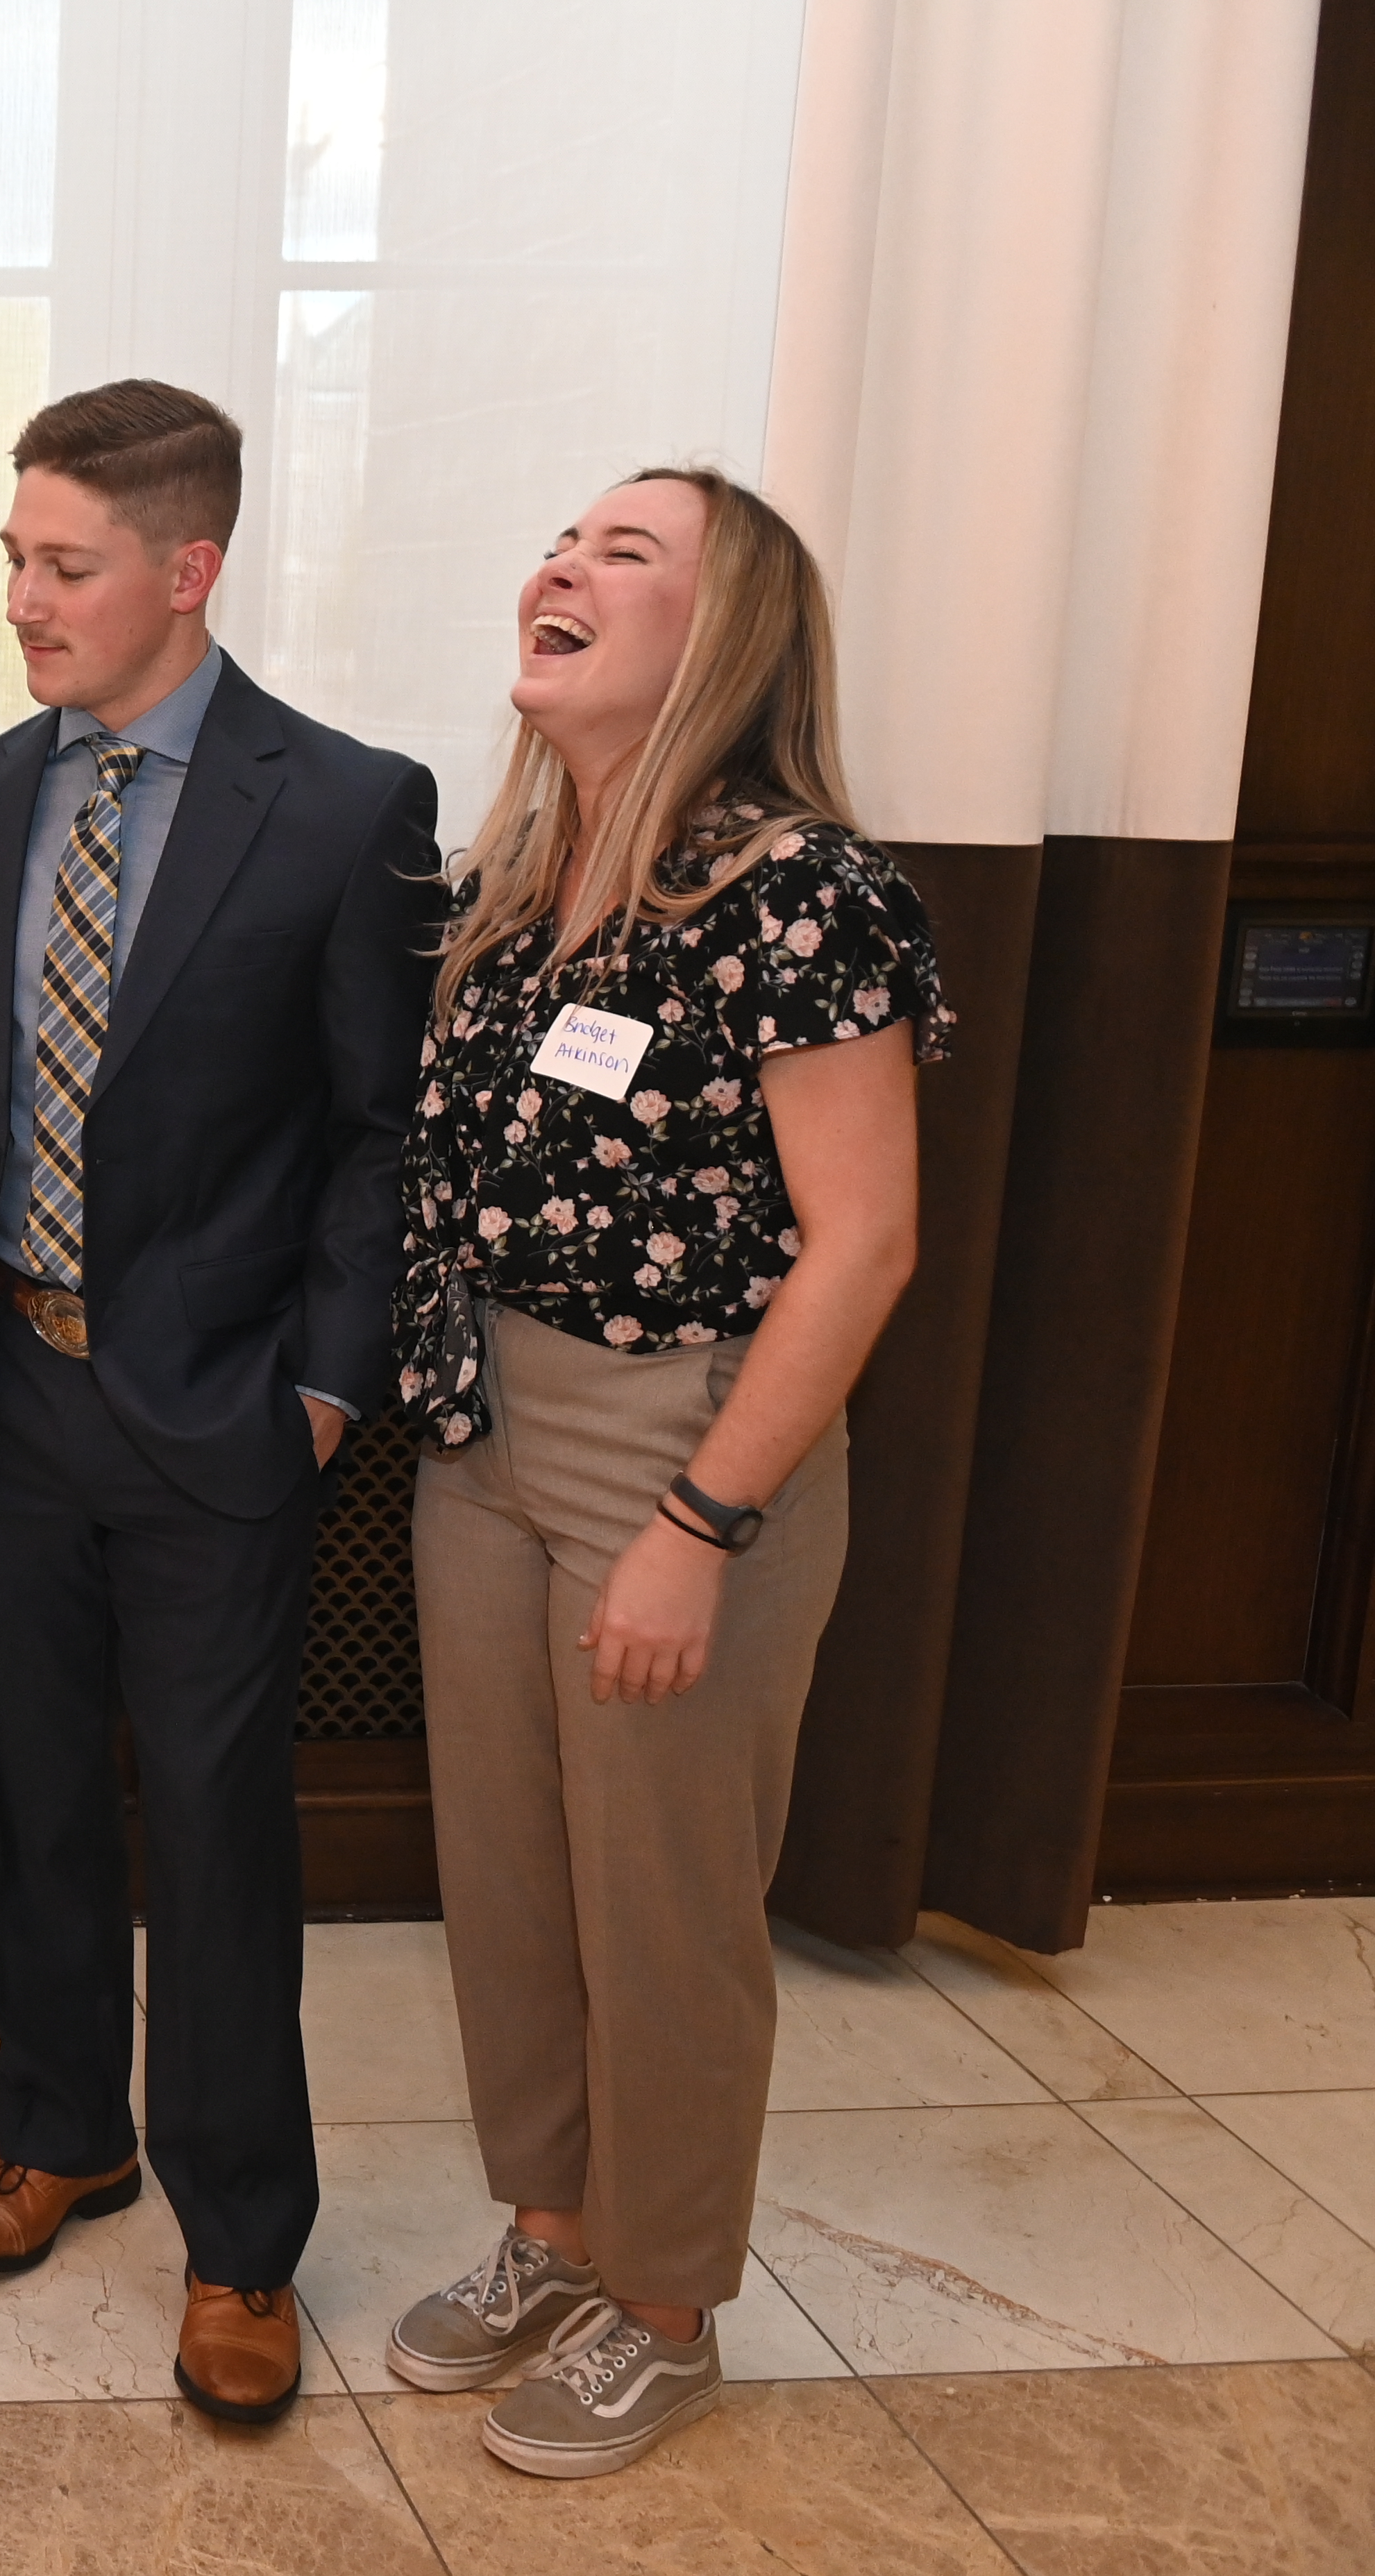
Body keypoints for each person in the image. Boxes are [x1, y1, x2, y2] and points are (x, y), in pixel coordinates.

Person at [381, 466, 938, 2477]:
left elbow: (864, 1244)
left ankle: (666, 2301)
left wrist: (704, 1522)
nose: (560, 566)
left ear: (725, 636)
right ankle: (551, 2229)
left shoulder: (801, 890)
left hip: (686, 1440)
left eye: (627, 552)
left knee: (667, 1903)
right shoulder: (519, 883)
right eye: (557, 539)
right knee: (516, 1882)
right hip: (487, 1437)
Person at [0, 381, 440, 2423]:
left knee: (218, 1836)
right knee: (31, 1802)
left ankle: (242, 2247)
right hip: (3, 1397)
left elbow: (378, 1128)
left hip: (224, 1414)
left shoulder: (341, 803)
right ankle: (64, 2135)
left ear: (186, 570)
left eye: (66, 567)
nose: (25, 605)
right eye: (14, 562)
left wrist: (325, 1384)